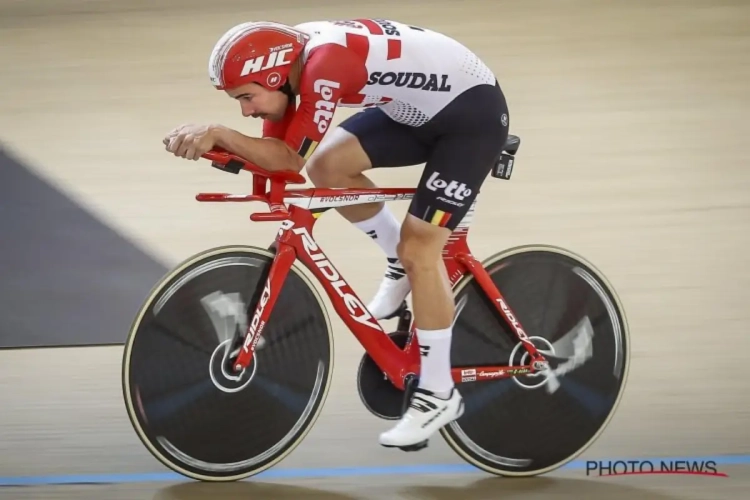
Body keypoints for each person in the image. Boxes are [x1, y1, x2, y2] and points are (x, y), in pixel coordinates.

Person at [163, 19, 509, 450]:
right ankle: (398, 261)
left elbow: (285, 160)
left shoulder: (324, 65)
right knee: (327, 167)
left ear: (274, 75)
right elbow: (281, 161)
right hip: (415, 111)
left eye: (247, 98)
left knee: (421, 249)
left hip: (468, 120)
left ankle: (438, 393)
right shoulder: (292, 61)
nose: (246, 111)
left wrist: (220, 134)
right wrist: (223, 148)